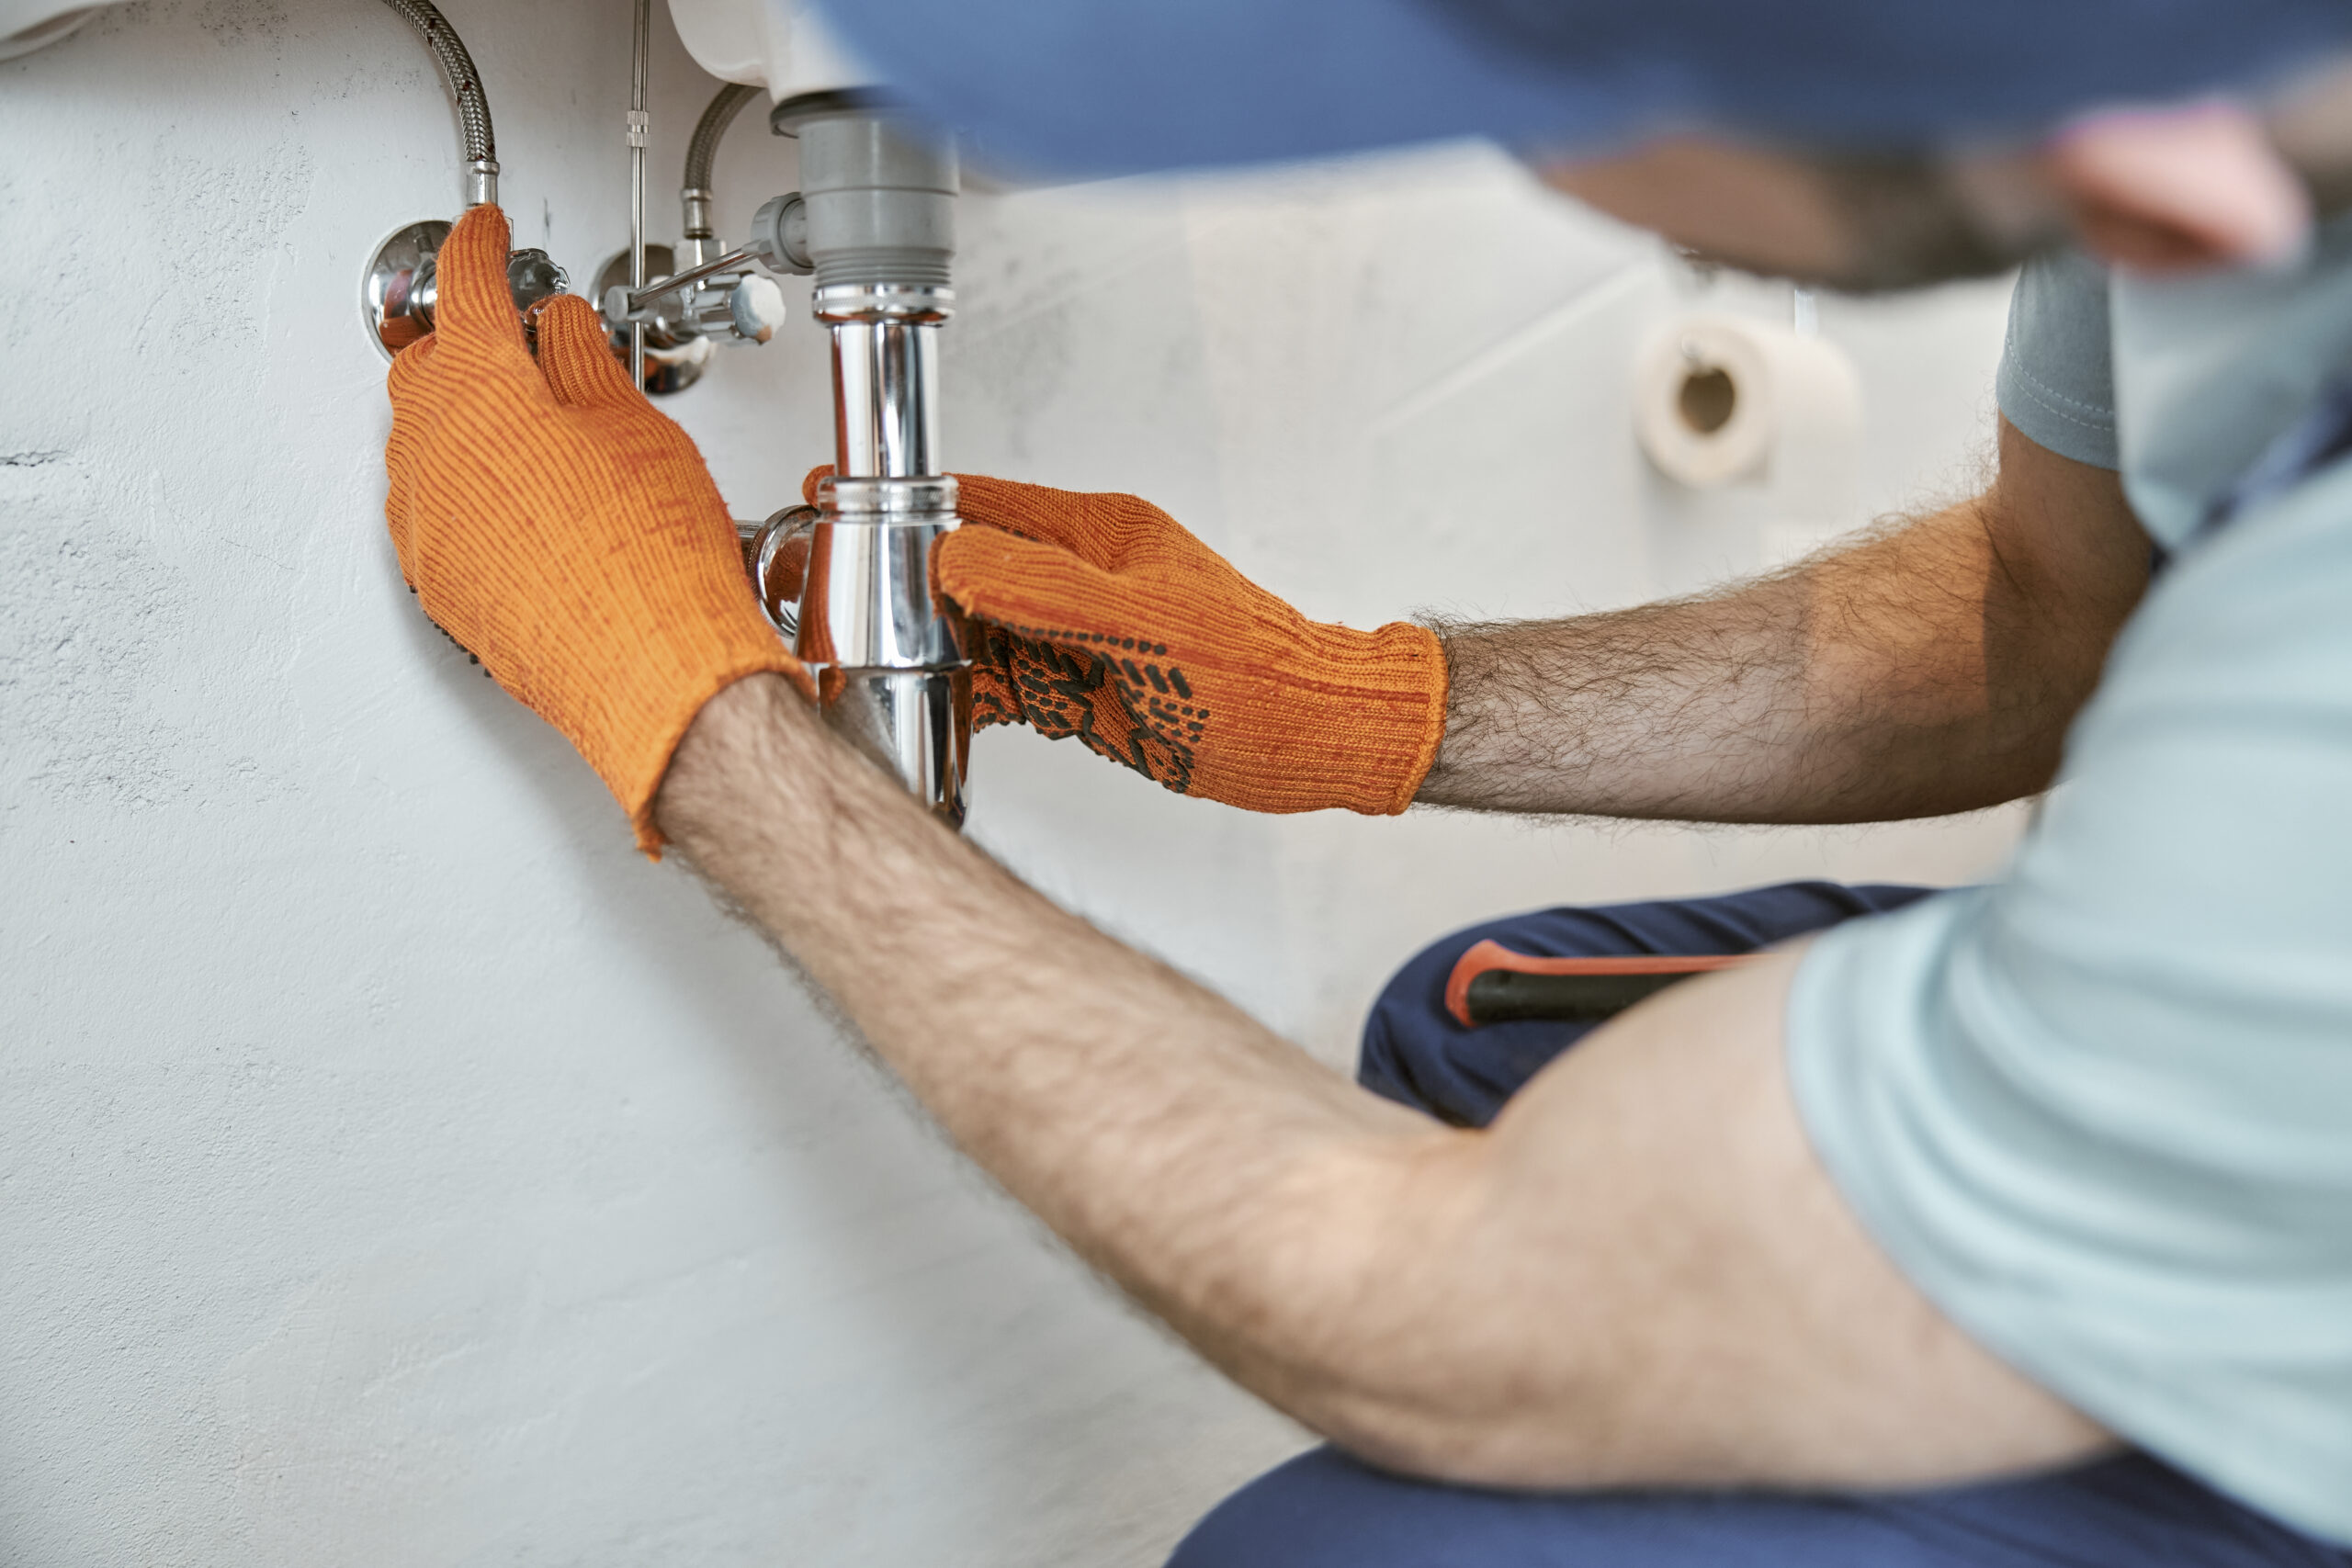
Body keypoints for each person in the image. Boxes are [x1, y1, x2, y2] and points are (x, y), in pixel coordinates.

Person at [378, 1, 2352, 1560]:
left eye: (1540, 85)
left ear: (2148, 181)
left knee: (1331, 1551)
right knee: (1472, 1032)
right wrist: (1355, 701)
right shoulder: (2198, 79)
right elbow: (2050, 608)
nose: (1523, 157)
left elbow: (1428, 1304)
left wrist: (697, 717)